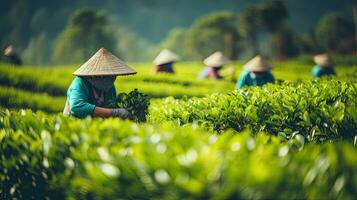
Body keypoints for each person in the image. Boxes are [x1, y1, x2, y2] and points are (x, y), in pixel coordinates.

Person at [63, 48, 137, 118]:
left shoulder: (110, 88)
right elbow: (76, 107)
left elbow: (110, 107)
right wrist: (114, 112)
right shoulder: (80, 83)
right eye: (107, 76)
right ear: (96, 75)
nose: (111, 79)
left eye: (113, 75)